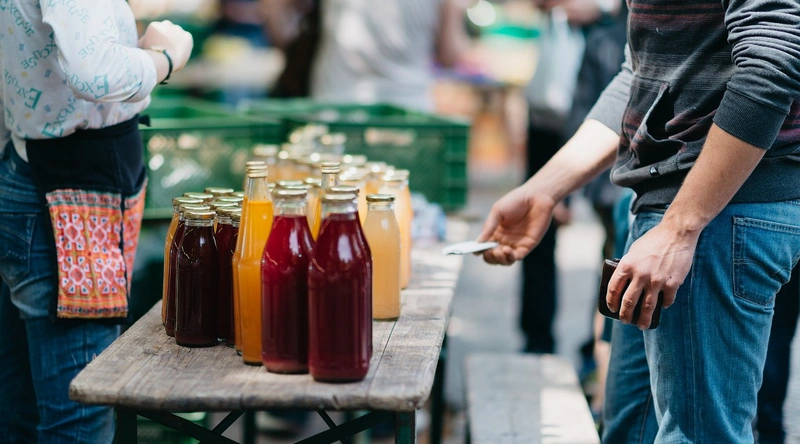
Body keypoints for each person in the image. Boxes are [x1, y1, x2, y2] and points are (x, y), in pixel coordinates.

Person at [477, 0, 800, 441]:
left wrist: (680, 228)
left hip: (715, 218)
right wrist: (545, 188)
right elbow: (639, 69)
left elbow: (773, 60)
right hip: (671, 216)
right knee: (631, 429)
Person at [0, 2, 193, 442]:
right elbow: (97, 74)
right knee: (77, 415)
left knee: (19, 408)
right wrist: (164, 57)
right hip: (64, 194)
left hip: (39, 177)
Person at [521, 0, 626, 356]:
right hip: (556, 113)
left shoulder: (611, 30)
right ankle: (541, 339)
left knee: (615, 244)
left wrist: (602, 11)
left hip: (607, 104)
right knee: (538, 222)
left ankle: (596, 354)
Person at [261, 0, 470, 110]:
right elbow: (450, 55)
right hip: (409, 110)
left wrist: (290, 47)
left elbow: (273, 8)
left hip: (337, 104)